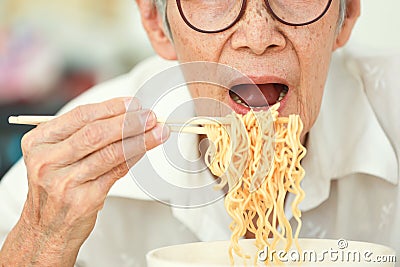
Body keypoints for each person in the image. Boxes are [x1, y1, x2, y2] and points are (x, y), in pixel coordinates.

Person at [0, 0, 399, 266]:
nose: (258, 38)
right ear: (157, 24)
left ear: (345, 16)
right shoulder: (69, 175)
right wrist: (40, 240)